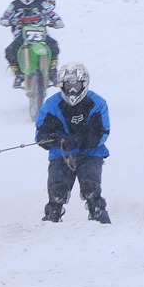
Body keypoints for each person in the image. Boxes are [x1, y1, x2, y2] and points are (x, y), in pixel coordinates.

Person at [35, 62, 111, 224]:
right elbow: (41, 135)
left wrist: (80, 141)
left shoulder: (97, 103)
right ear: (61, 85)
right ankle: (52, 216)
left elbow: (102, 133)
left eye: (76, 84)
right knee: (57, 191)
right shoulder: (51, 105)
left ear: (84, 84)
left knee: (90, 187)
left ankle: (99, 215)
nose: (72, 89)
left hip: (90, 153)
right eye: (68, 84)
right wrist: (57, 140)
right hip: (61, 153)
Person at [0, 0, 64, 88]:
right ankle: (18, 74)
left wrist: (57, 20)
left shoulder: (42, 3)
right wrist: (5, 20)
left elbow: (51, 13)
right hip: (21, 33)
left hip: (40, 32)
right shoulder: (14, 4)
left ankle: (53, 71)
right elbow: (4, 16)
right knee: (10, 50)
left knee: (53, 45)